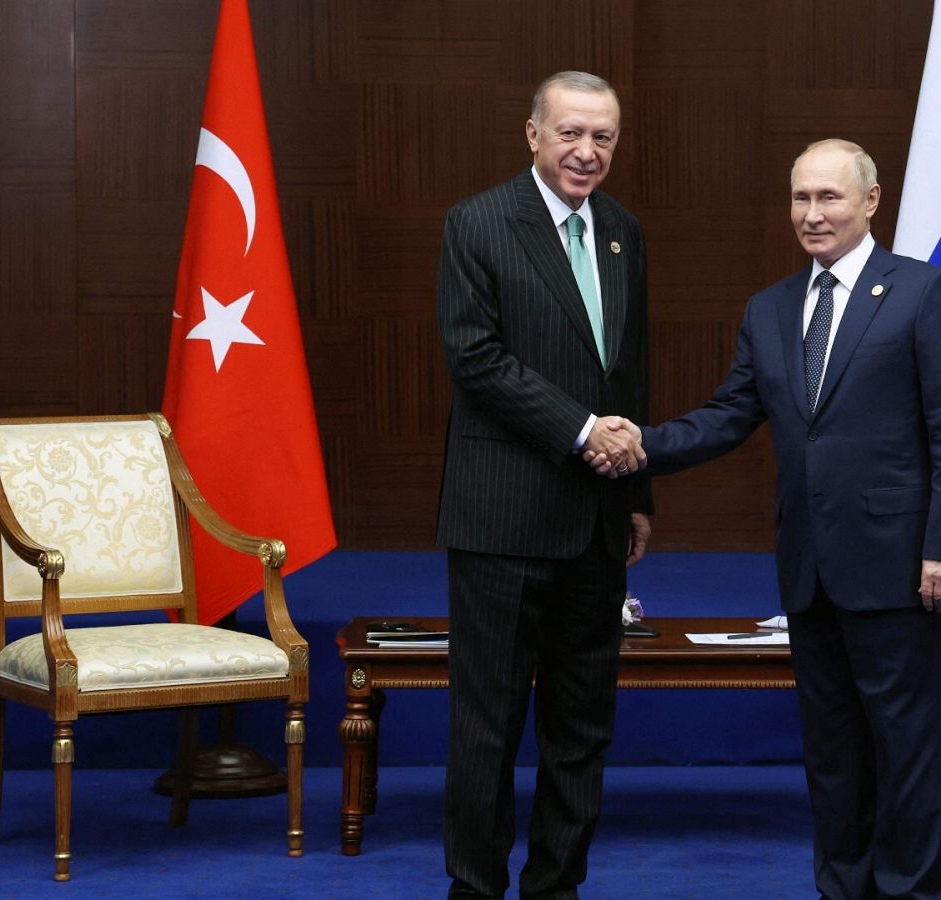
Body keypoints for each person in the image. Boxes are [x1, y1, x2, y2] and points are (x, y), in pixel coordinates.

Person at [591, 139, 941, 899]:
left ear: (871, 202)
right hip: (809, 568)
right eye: (802, 198)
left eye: (830, 198)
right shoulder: (769, 309)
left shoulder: (922, 293)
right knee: (833, 752)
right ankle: (841, 888)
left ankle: (908, 891)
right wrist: (640, 445)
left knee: (906, 748)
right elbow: (729, 416)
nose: (813, 214)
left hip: (903, 566)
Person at [434, 70, 652, 899]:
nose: (586, 152)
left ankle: (556, 887)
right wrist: (583, 430)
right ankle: (476, 888)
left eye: (602, 138)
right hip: (501, 519)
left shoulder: (625, 231)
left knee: (582, 728)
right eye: (570, 134)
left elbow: (628, 372)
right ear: (533, 134)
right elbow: (476, 359)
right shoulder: (477, 224)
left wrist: (636, 493)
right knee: (487, 727)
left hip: (596, 521)